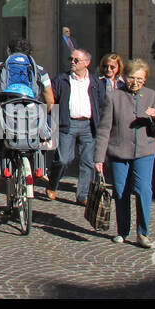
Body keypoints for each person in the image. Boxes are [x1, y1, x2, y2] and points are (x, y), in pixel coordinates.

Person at [94, 58, 155, 247]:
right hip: (119, 152)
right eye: (131, 78)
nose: (135, 82)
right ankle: (123, 231)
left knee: (144, 190)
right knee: (121, 192)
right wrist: (99, 158)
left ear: (145, 79)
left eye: (140, 79)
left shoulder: (152, 95)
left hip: (145, 151)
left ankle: (143, 233)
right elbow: (104, 129)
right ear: (124, 77)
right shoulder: (114, 97)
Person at [0, 37, 54, 227]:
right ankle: (27, 183)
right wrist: (44, 114)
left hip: (2, 117)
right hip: (30, 119)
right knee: (29, 149)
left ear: (9, 51)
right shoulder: (40, 70)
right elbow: (50, 99)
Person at [47, 48, 104, 204]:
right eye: (71, 59)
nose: (72, 62)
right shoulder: (61, 80)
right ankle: (53, 182)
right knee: (64, 159)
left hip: (88, 125)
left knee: (87, 161)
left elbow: (101, 103)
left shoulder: (95, 83)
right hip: (68, 123)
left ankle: (83, 195)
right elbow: (51, 102)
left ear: (87, 63)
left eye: (76, 60)